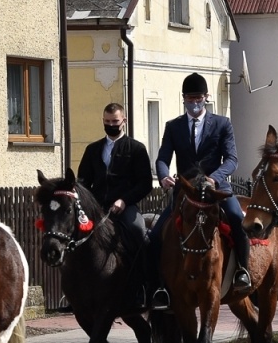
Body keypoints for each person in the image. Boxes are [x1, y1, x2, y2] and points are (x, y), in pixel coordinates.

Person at [149, 72, 250, 311]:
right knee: (154, 236)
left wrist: (214, 178)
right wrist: (164, 176)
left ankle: (242, 272)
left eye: (198, 98)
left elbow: (232, 159)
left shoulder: (222, 124)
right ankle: (159, 287)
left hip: (216, 189)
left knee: (237, 219)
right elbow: (163, 158)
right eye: (190, 98)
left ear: (206, 97)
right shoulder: (173, 126)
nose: (194, 102)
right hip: (185, 193)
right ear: (184, 98)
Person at [76, 102, 153, 249]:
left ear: (124, 121)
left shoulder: (137, 149)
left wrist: (124, 200)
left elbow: (145, 183)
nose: (111, 125)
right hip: (96, 206)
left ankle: (145, 270)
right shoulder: (92, 149)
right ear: (103, 121)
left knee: (138, 231)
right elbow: (83, 181)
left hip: (125, 207)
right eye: (107, 121)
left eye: (115, 121)